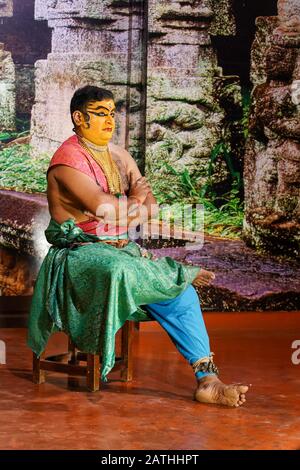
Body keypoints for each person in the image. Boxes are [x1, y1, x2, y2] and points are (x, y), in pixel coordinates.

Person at [28, 85, 249, 407]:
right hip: (78, 254)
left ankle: (208, 380)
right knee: (121, 268)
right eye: (100, 114)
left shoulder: (119, 154)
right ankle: (169, 271)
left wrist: (128, 208)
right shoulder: (67, 159)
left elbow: (151, 209)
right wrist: (133, 201)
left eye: (112, 114)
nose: (109, 121)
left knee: (180, 291)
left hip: (118, 248)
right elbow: (105, 207)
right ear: (79, 117)